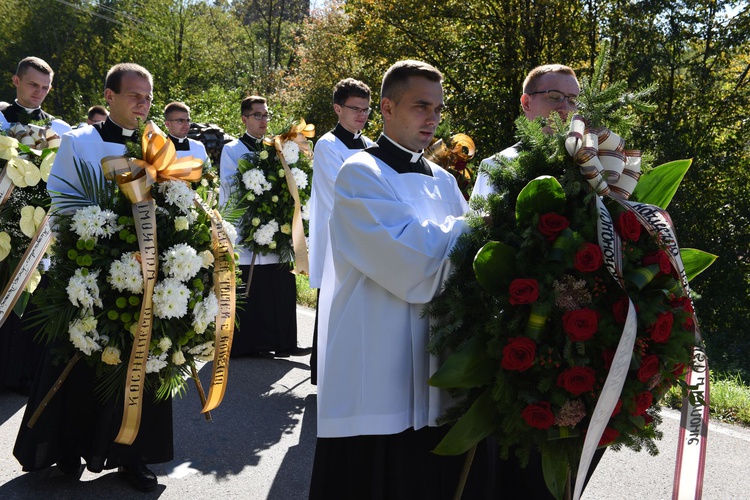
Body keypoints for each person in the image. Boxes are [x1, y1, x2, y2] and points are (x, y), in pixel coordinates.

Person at [309, 60, 495, 499]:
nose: (432, 118)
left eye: (438, 108)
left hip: (436, 356)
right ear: (387, 108)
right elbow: (410, 261)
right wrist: (481, 224)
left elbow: (471, 262)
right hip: (377, 363)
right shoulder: (359, 173)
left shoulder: (445, 181)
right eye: (420, 106)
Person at [14, 63, 171, 492]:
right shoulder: (80, 141)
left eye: (148, 96)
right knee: (80, 363)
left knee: (140, 363)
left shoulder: (158, 144)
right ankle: (68, 444)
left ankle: (132, 455)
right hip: (90, 269)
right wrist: (96, 245)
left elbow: (173, 203)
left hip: (144, 273)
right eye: (134, 95)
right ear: (110, 97)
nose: (143, 103)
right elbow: (62, 202)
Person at [220, 96, 310, 358]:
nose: (263, 121)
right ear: (244, 119)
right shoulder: (233, 149)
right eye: (258, 115)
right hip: (248, 227)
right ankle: (248, 343)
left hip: (276, 226)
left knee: (278, 282)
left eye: (266, 115)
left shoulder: (277, 147)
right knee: (251, 285)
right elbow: (229, 187)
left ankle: (283, 342)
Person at [308, 78, 374, 385]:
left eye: (366, 109)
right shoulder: (327, 145)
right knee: (336, 303)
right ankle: (329, 373)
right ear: (338, 109)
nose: (362, 115)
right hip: (338, 236)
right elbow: (336, 192)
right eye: (355, 109)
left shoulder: (372, 145)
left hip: (368, 236)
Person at [471, 64, 579, 200]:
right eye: (555, 97)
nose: (565, 108)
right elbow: (481, 220)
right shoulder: (496, 167)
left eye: (573, 100)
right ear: (527, 103)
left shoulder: (589, 165)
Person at [0, 56, 71, 136]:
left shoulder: (61, 129)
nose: (39, 92)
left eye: (45, 88)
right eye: (33, 85)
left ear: (50, 88)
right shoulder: (1, 118)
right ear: (16, 81)